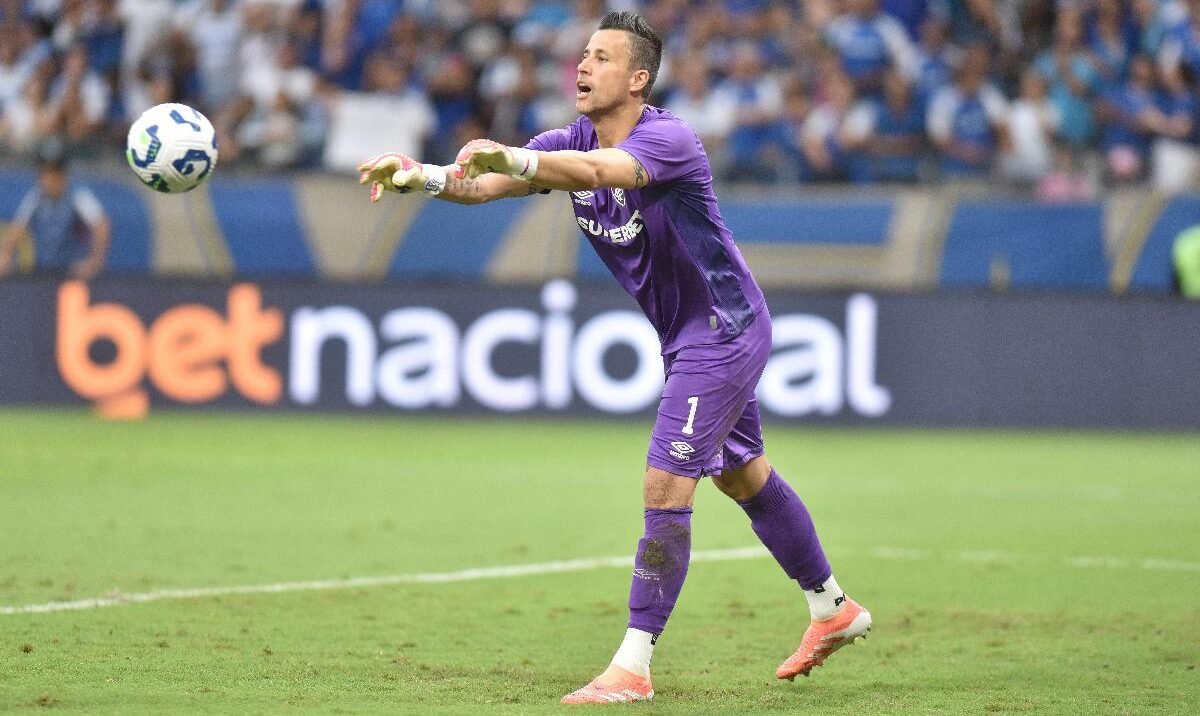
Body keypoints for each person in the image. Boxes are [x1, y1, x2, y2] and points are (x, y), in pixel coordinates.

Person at [356, 11, 871, 705]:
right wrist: (416, 175)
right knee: (742, 475)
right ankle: (832, 609)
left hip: (722, 327)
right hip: (687, 333)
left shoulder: (669, 140)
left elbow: (602, 172)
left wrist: (520, 160)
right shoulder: (566, 139)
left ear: (637, 78)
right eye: (582, 55)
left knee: (665, 487)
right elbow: (478, 183)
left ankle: (631, 667)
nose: (582, 66)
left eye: (600, 58)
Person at [0, 143, 110, 280]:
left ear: (63, 174)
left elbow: (101, 225)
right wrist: (5, 254)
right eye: (44, 172)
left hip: (71, 272)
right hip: (43, 270)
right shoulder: (36, 197)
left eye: (54, 172)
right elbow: (18, 228)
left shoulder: (77, 195)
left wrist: (95, 261)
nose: (48, 179)